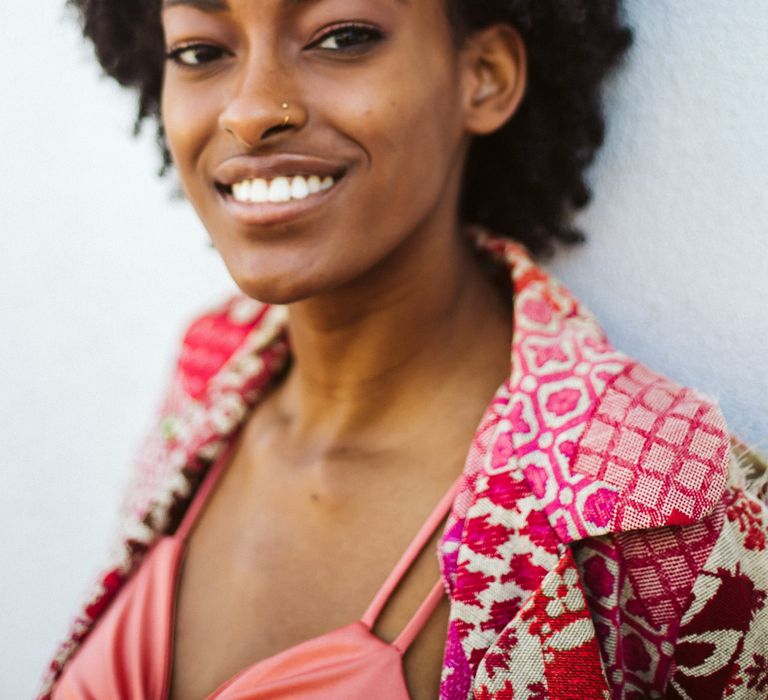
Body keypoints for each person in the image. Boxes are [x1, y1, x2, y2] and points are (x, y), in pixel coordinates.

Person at [40, 1, 768, 698]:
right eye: (201, 52)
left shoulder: (666, 499)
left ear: (483, 74)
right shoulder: (209, 367)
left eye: (343, 35)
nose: (251, 109)